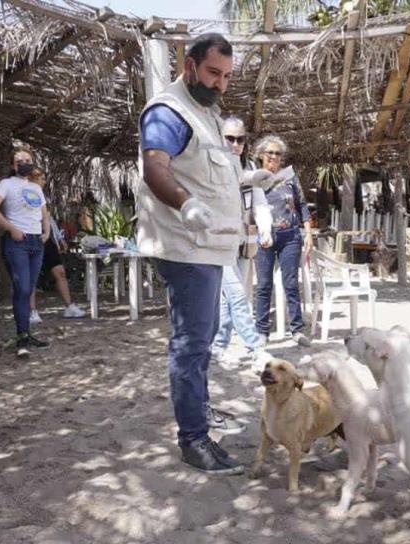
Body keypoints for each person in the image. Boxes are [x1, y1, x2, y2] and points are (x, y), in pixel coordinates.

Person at [136, 33, 276, 475]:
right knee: (191, 344)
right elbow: (155, 166)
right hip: (185, 246)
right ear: (190, 64)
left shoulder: (207, 115)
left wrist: (250, 180)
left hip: (211, 248)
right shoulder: (169, 111)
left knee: (204, 341)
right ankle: (192, 439)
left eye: (228, 77)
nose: (220, 84)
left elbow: (213, 177)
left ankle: (199, 421)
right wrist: (186, 204)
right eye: (214, 73)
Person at [210, 117, 273, 367]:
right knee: (237, 296)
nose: (236, 144)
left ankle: (219, 347)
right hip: (219, 243)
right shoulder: (212, 167)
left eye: (240, 139)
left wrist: (265, 230)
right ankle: (256, 348)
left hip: (243, 243)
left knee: (229, 298)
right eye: (230, 138)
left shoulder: (247, 167)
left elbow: (259, 203)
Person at [0, 149, 52, 359]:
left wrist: (47, 232)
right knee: (22, 288)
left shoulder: (35, 187)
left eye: (28, 160)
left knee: (29, 288)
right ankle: (22, 337)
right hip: (17, 242)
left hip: (36, 242)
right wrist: (11, 228)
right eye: (19, 161)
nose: (24, 163)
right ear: (13, 166)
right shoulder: (6, 184)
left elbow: (44, 213)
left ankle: (26, 335)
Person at [253, 135, 314, 348]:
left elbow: (302, 205)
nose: (274, 157)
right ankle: (262, 331)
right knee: (263, 285)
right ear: (261, 155)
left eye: (278, 153)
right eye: (270, 152)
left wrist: (308, 233)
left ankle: (297, 330)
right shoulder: (254, 178)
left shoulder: (290, 178)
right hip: (264, 237)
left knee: (290, 283)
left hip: (290, 236)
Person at [26, 168, 86, 323]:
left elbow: (48, 219)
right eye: (41, 179)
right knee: (31, 276)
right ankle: (32, 311)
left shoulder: (42, 196)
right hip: (31, 237)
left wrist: (59, 238)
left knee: (60, 272)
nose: (44, 182)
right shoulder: (23, 194)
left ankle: (69, 307)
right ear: (32, 179)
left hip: (48, 239)